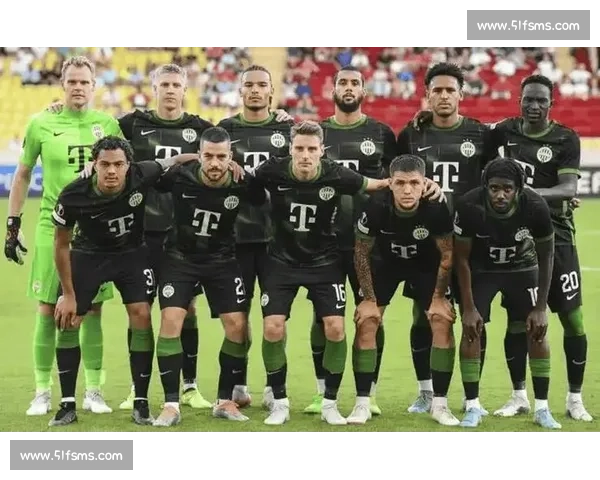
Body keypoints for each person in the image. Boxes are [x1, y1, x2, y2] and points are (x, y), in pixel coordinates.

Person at [252, 120, 390, 426]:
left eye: (312, 149)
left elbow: (374, 185)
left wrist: (412, 183)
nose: (305, 155)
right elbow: (244, 182)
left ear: (322, 150)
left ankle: (329, 403)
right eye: (299, 148)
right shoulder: (271, 170)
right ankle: (279, 403)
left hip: (324, 262)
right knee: (273, 327)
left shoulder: (336, 173)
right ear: (290, 149)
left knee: (335, 328)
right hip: (281, 261)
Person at [5, 56, 121, 416]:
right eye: (72, 81)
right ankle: (42, 391)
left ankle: (94, 391)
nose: (78, 87)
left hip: (96, 229)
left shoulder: (108, 124)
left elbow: (124, 169)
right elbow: (23, 174)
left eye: (85, 82)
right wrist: (12, 224)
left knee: (92, 310)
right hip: (50, 226)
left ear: (94, 86)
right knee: (46, 309)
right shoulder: (41, 122)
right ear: (62, 84)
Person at [48, 135, 188, 426]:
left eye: (118, 164)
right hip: (88, 255)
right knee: (69, 319)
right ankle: (67, 404)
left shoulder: (142, 173)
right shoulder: (73, 194)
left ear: (128, 165)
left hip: (131, 254)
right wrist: (69, 294)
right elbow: (61, 245)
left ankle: (141, 402)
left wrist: (204, 157)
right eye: (105, 164)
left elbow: (174, 160)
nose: (112, 170)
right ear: (94, 165)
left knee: (141, 314)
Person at [397, 62, 498, 414]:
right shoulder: (411, 136)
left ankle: (473, 398)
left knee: (475, 317)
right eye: (436, 90)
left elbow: (497, 180)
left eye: (449, 90)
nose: (443, 96)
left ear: (461, 94)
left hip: (471, 243)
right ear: (427, 95)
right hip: (425, 242)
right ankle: (426, 392)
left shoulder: (481, 135)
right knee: (422, 315)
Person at [490, 74, 592, 422]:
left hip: (557, 236)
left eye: (541, 101)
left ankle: (575, 398)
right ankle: (519, 395)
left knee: (573, 319)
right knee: (518, 320)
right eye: (529, 99)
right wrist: (425, 115)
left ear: (552, 104)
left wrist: (524, 196)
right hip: (518, 239)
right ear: (519, 100)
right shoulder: (505, 131)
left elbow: (567, 189)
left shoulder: (566, 138)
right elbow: (470, 133)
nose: (534, 106)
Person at [151, 127, 266, 427]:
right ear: (199, 155)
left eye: (221, 157)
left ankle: (224, 401)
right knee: (171, 320)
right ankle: (171, 404)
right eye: (209, 156)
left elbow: (263, 198)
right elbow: (148, 178)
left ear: (231, 157)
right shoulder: (179, 176)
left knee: (237, 325)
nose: (215, 163)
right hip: (180, 258)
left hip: (221, 260)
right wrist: (179, 158)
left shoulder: (242, 182)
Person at [304, 65, 398, 417]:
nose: (348, 87)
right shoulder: (317, 132)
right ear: (332, 89)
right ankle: (321, 392)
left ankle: (368, 393)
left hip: (370, 244)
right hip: (324, 242)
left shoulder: (382, 133)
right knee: (322, 317)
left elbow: (399, 180)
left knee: (371, 316)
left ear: (363, 90)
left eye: (354, 83)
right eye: (342, 82)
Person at [453, 158, 561, 429]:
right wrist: (468, 307)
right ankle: (472, 405)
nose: (500, 195)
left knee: (537, 330)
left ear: (518, 190)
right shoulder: (469, 205)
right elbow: (461, 258)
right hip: (482, 270)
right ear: (485, 187)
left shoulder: (535, 206)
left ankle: (542, 409)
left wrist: (541, 307)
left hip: (522, 268)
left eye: (507, 189)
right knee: (471, 329)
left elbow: (547, 255)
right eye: (494, 188)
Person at [352, 154, 458, 426]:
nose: (407, 190)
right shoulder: (376, 205)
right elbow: (361, 252)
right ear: (390, 183)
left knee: (441, 320)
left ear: (425, 183)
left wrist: (438, 298)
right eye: (400, 183)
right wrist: (369, 299)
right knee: (367, 320)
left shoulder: (436, 207)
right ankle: (362, 403)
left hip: (425, 266)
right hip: (385, 264)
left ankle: (440, 404)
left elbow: (447, 254)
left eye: (414, 183)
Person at [217, 65, 294, 408]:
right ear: (240, 90)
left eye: (262, 84)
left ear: (271, 91)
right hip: (234, 238)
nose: (255, 90)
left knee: (275, 318)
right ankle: (238, 384)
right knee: (238, 316)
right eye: (249, 84)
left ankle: (273, 388)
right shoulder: (224, 129)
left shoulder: (288, 129)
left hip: (278, 240)